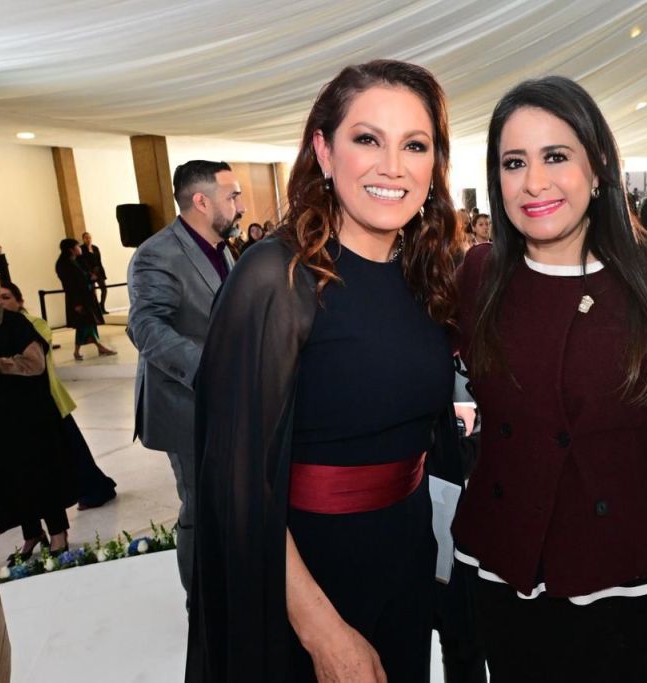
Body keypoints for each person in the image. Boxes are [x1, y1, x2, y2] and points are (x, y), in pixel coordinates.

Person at [185, 60, 462, 683]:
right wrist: (321, 630)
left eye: (414, 145)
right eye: (367, 139)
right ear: (324, 151)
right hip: (306, 582)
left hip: (406, 560)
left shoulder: (427, 274)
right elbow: (236, 482)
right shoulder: (274, 278)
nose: (392, 166)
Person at [453, 75, 647, 683]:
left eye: (556, 157)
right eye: (513, 162)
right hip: (503, 562)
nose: (534, 183)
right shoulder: (479, 273)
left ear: (598, 165)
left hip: (619, 577)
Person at [127, 160, 242, 601]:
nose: (241, 205)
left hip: (225, 400)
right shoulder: (157, 253)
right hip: (186, 404)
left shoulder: (221, 247)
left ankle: (229, 584)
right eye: (232, 196)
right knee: (200, 506)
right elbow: (147, 328)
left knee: (226, 501)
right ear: (201, 200)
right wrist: (215, 372)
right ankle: (203, 604)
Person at [0, 282, 117, 510]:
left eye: (7, 297)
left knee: (72, 448)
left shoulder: (36, 324)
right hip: (18, 405)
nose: (1, 303)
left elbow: (33, 363)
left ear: (20, 301)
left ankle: (96, 489)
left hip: (49, 399)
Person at [0, 273, 77, 562]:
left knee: (40, 472)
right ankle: (31, 534)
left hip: (28, 417)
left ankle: (58, 533)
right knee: (11, 479)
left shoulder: (17, 323)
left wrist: (1, 365)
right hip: (0, 422)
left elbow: (35, 365)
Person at [55, 238, 115, 361]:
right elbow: (70, 285)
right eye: (77, 247)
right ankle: (98, 347)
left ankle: (80, 350)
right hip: (79, 299)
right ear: (71, 249)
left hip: (85, 297)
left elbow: (83, 275)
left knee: (87, 323)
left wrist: (90, 276)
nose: (80, 248)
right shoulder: (64, 264)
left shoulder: (74, 261)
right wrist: (77, 303)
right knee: (85, 323)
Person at [79, 232, 108, 314]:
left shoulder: (95, 248)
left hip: (98, 271)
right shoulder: (81, 249)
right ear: (83, 239)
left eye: (89, 237)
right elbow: (83, 263)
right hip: (89, 273)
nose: (88, 239)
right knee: (92, 291)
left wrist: (102, 272)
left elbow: (99, 261)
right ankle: (96, 309)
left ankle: (102, 306)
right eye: (86, 238)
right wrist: (90, 273)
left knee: (104, 289)